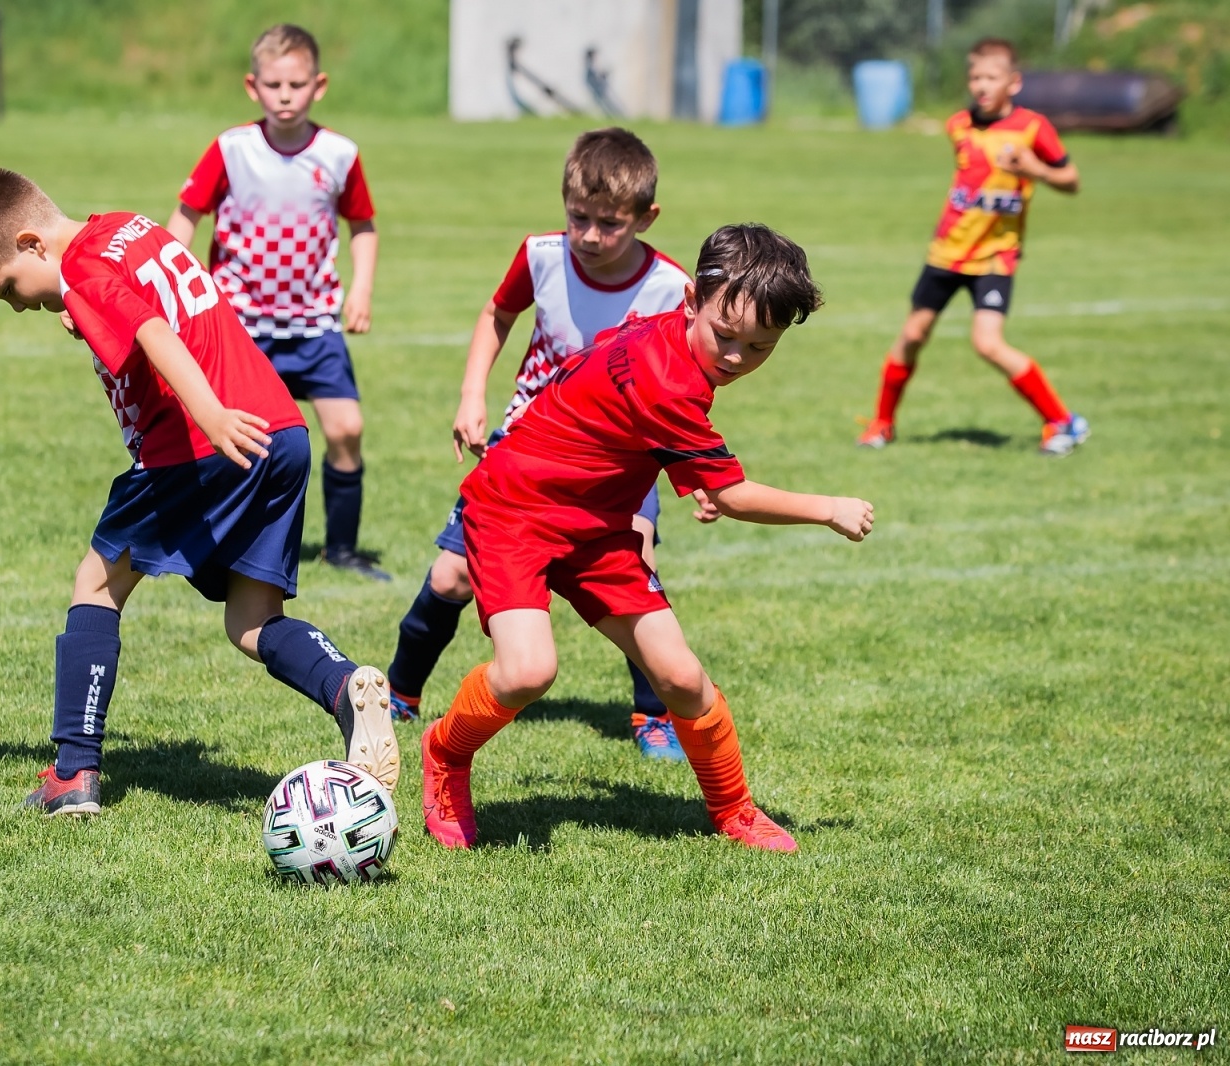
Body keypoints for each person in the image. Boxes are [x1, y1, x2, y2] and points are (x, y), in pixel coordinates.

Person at [0, 169, 398, 816]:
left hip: (200, 442)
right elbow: (162, 304)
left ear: (33, 243)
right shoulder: (124, 230)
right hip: (279, 431)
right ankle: (347, 687)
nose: (16, 304)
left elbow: (154, 331)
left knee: (96, 584)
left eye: (8, 287)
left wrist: (208, 414)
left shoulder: (84, 273)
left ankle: (73, 772)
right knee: (251, 621)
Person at [420, 224, 874, 853]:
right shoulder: (672, 383)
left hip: (597, 527)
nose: (737, 358)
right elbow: (734, 494)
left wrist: (695, 480)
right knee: (527, 672)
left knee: (682, 679)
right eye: (726, 335)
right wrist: (828, 508)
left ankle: (735, 811)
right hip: (515, 512)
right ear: (690, 299)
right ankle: (444, 753)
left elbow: (626, 427)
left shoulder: (666, 332)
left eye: (760, 347)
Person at [387, 127, 695, 761]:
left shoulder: (672, 290)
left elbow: (681, 386)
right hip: (525, 447)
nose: (588, 235)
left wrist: (691, 471)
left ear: (646, 217)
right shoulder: (541, 256)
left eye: (608, 224)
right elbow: (497, 315)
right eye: (577, 217)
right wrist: (473, 396)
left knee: (639, 568)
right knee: (450, 576)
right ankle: (400, 692)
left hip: (619, 464)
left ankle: (652, 714)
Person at [165, 24, 388, 580]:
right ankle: (219, 544)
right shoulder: (231, 149)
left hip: (314, 324)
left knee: (346, 429)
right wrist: (172, 279)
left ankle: (340, 549)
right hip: (241, 323)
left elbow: (363, 225)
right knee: (236, 440)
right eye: (273, 84)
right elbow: (187, 216)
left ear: (319, 85)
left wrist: (360, 289)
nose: (285, 95)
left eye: (297, 83)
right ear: (252, 86)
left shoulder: (340, 154)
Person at [859, 37, 1088, 456]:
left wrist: (1033, 168)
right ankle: (881, 425)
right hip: (946, 252)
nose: (981, 85)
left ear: (1013, 83)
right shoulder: (959, 125)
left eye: (991, 77)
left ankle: (1063, 422)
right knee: (911, 336)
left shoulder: (1033, 128)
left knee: (987, 343)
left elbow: (1071, 181)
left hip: (995, 257)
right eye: (975, 77)